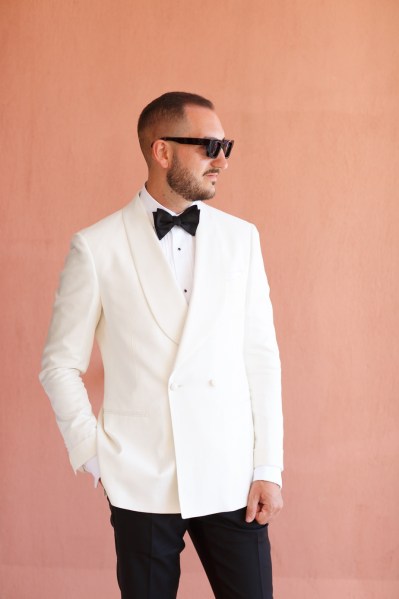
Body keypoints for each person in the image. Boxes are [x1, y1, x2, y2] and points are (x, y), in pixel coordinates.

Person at [40, 91, 283, 599]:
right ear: (162, 151)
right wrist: (93, 452)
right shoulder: (98, 245)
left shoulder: (242, 239)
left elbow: (261, 358)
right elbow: (59, 364)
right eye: (209, 145)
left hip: (231, 473)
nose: (221, 159)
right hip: (142, 475)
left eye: (226, 145)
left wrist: (268, 467)